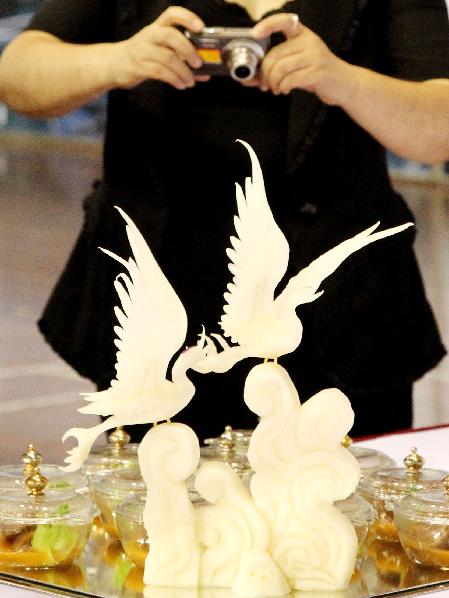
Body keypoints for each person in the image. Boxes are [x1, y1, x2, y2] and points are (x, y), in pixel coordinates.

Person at [0, 0, 448, 443]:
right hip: (158, 309)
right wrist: (118, 59)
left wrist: (340, 79)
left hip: (342, 308)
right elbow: (17, 75)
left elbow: (438, 131)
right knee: (152, 499)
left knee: (348, 500)